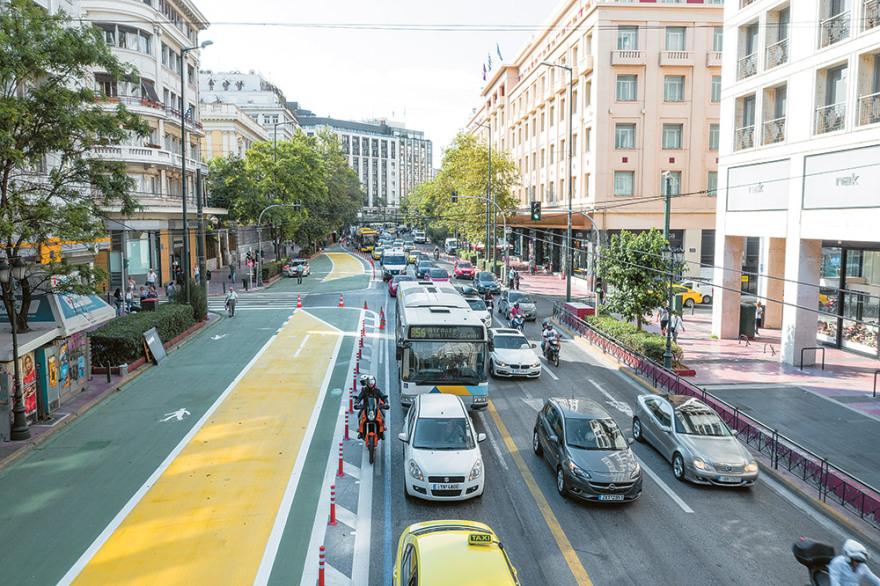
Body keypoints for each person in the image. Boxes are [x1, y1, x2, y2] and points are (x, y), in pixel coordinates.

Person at [354, 375, 388, 440]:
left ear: (374, 382)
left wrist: (386, 403)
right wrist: (356, 403)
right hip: (366, 408)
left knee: (382, 417)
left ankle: (381, 432)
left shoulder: (377, 390)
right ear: (367, 383)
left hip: (376, 408)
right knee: (360, 417)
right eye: (369, 383)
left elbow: (383, 396)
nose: (370, 384)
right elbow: (359, 397)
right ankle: (361, 432)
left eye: (372, 383)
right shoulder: (364, 390)